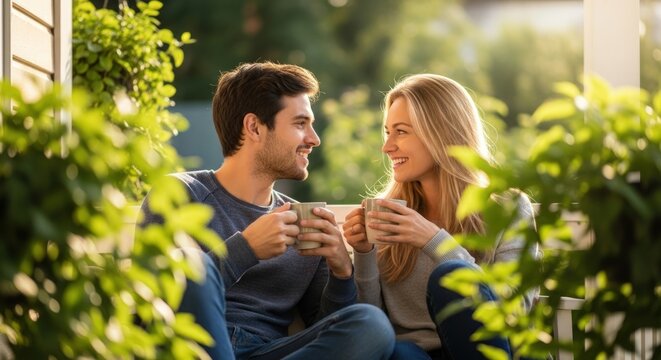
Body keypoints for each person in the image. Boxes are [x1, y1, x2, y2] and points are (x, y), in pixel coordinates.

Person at [141, 62, 395, 359]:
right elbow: (150, 301)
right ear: (254, 127)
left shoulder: (305, 222)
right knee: (188, 263)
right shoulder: (181, 194)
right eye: (300, 124)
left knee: (371, 324)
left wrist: (341, 271)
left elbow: (326, 329)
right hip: (191, 350)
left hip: (269, 352)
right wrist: (245, 250)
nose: (314, 139)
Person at [341, 74, 541, 360]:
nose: (387, 147)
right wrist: (364, 253)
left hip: (492, 353)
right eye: (387, 132)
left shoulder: (507, 208)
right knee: (398, 352)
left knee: (451, 276)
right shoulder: (390, 215)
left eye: (401, 131)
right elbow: (374, 326)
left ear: (441, 133)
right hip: (416, 357)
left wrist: (434, 242)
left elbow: (514, 309)